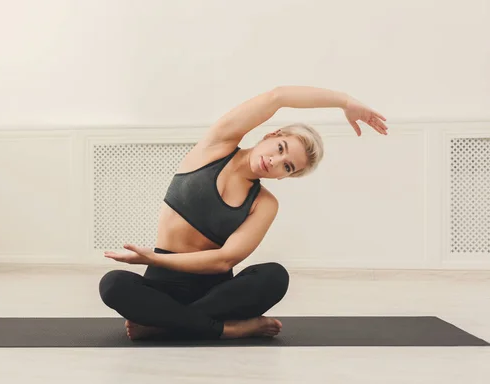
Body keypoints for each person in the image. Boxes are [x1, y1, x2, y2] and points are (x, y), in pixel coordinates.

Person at [99, 86, 388, 340]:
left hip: (214, 293)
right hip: (162, 280)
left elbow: (224, 261)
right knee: (112, 284)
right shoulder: (215, 146)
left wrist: (150, 257)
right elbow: (279, 96)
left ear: (286, 177)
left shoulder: (264, 203)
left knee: (275, 276)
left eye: (287, 166)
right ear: (271, 135)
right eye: (280, 148)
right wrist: (344, 101)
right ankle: (226, 330)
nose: (274, 161)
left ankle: (166, 326)